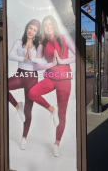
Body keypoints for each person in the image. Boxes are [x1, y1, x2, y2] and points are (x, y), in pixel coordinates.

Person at [28, 15, 76, 157]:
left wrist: (61, 61)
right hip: (51, 77)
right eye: (45, 25)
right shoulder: (42, 44)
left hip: (65, 79)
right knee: (32, 93)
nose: (48, 27)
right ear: (43, 28)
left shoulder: (64, 38)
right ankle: (51, 109)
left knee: (63, 113)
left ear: (54, 24)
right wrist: (52, 64)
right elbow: (36, 66)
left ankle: (56, 143)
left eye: (50, 24)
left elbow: (76, 56)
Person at [8, 19, 46, 150]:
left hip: (32, 78)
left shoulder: (39, 45)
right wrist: (22, 58)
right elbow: (10, 55)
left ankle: (24, 138)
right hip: (20, 75)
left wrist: (31, 58)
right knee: (3, 86)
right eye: (30, 28)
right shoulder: (19, 42)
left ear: (37, 33)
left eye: (35, 30)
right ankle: (18, 106)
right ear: (26, 28)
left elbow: (42, 60)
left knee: (28, 111)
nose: (31, 31)